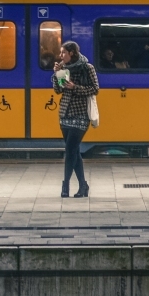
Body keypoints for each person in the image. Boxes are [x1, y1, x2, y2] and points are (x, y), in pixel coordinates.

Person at [52, 40, 99, 198]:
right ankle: (83, 186)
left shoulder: (87, 68)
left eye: (63, 53)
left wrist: (75, 88)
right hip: (65, 114)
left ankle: (65, 185)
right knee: (75, 151)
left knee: (70, 150)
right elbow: (59, 90)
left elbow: (95, 88)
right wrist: (57, 73)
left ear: (71, 53)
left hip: (81, 114)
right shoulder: (64, 68)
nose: (60, 56)